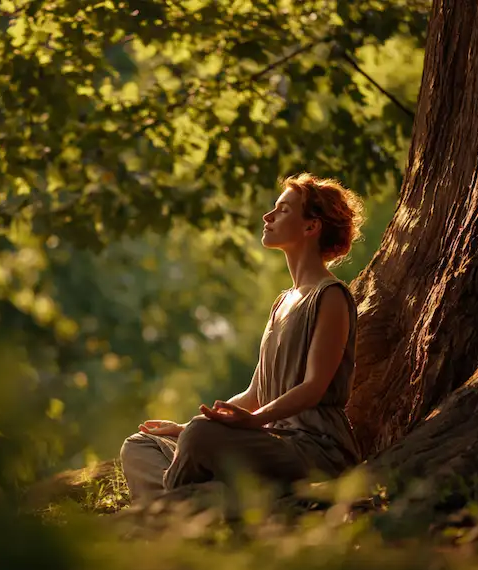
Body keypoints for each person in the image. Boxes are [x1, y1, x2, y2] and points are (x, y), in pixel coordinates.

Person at [120, 173, 365, 504]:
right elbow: (254, 393)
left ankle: (170, 512)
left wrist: (253, 422)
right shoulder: (283, 302)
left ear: (311, 227)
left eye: (282, 210)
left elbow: (314, 387)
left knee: (200, 436)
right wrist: (183, 426)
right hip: (269, 440)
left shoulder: (331, 296)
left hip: (314, 447)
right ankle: (203, 503)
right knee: (141, 444)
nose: (268, 216)